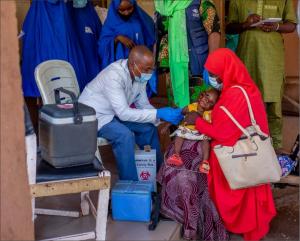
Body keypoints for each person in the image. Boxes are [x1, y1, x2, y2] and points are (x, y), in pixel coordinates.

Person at [184, 48, 276, 240]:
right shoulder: (246, 88)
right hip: (253, 151)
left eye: (215, 75)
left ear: (227, 71)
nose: (212, 78)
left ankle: (215, 218)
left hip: (239, 156)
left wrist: (198, 121)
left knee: (202, 163)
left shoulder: (233, 95)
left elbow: (223, 135)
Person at [79, 46, 183, 181]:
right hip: (94, 115)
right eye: (147, 69)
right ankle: (130, 185)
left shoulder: (139, 76)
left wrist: (159, 118)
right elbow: (123, 113)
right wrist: (158, 113)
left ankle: (161, 176)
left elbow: (143, 104)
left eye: (152, 69)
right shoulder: (114, 76)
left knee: (148, 129)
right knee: (124, 136)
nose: (150, 73)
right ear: (133, 64)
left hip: (113, 113)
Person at [226, 0, 297, 150]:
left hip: (273, 57)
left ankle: (275, 149)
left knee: (274, 105)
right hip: (247, 56)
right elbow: (229, 27)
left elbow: (291, 25)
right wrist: (245, 24)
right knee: (245, 101)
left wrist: (276, 26)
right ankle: (245, 148)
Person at [154, 0, 221, 107]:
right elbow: (159, 35)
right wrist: (155, 65)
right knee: (177, 107)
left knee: (199, 107)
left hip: (198, 65)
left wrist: (212, 65)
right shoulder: (162, 4)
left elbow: (214, 31)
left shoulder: (201, 2)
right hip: (173, 68)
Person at [165, 88, 219, 168]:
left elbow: (212, 127)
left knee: (206, 139)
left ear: (214, 106)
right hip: (187, 130)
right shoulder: (192, 106)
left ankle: (205, 162)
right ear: (203, 94)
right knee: (180, 133)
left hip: (200, 133)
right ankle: (176, 155)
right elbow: (179, 115)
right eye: (207, 95)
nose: (206, 100)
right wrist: (167, 125)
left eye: (210, 102)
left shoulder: (211, 113)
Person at [98, 0, 155, 70]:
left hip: (140, 64)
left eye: (130, 8)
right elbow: (102, 47)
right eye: (122, 10)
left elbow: (151, 38)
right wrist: (117, 38)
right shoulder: (110, 23)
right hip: (120, 67)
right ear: (115, 8)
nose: (126, 13)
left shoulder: (141, 18)